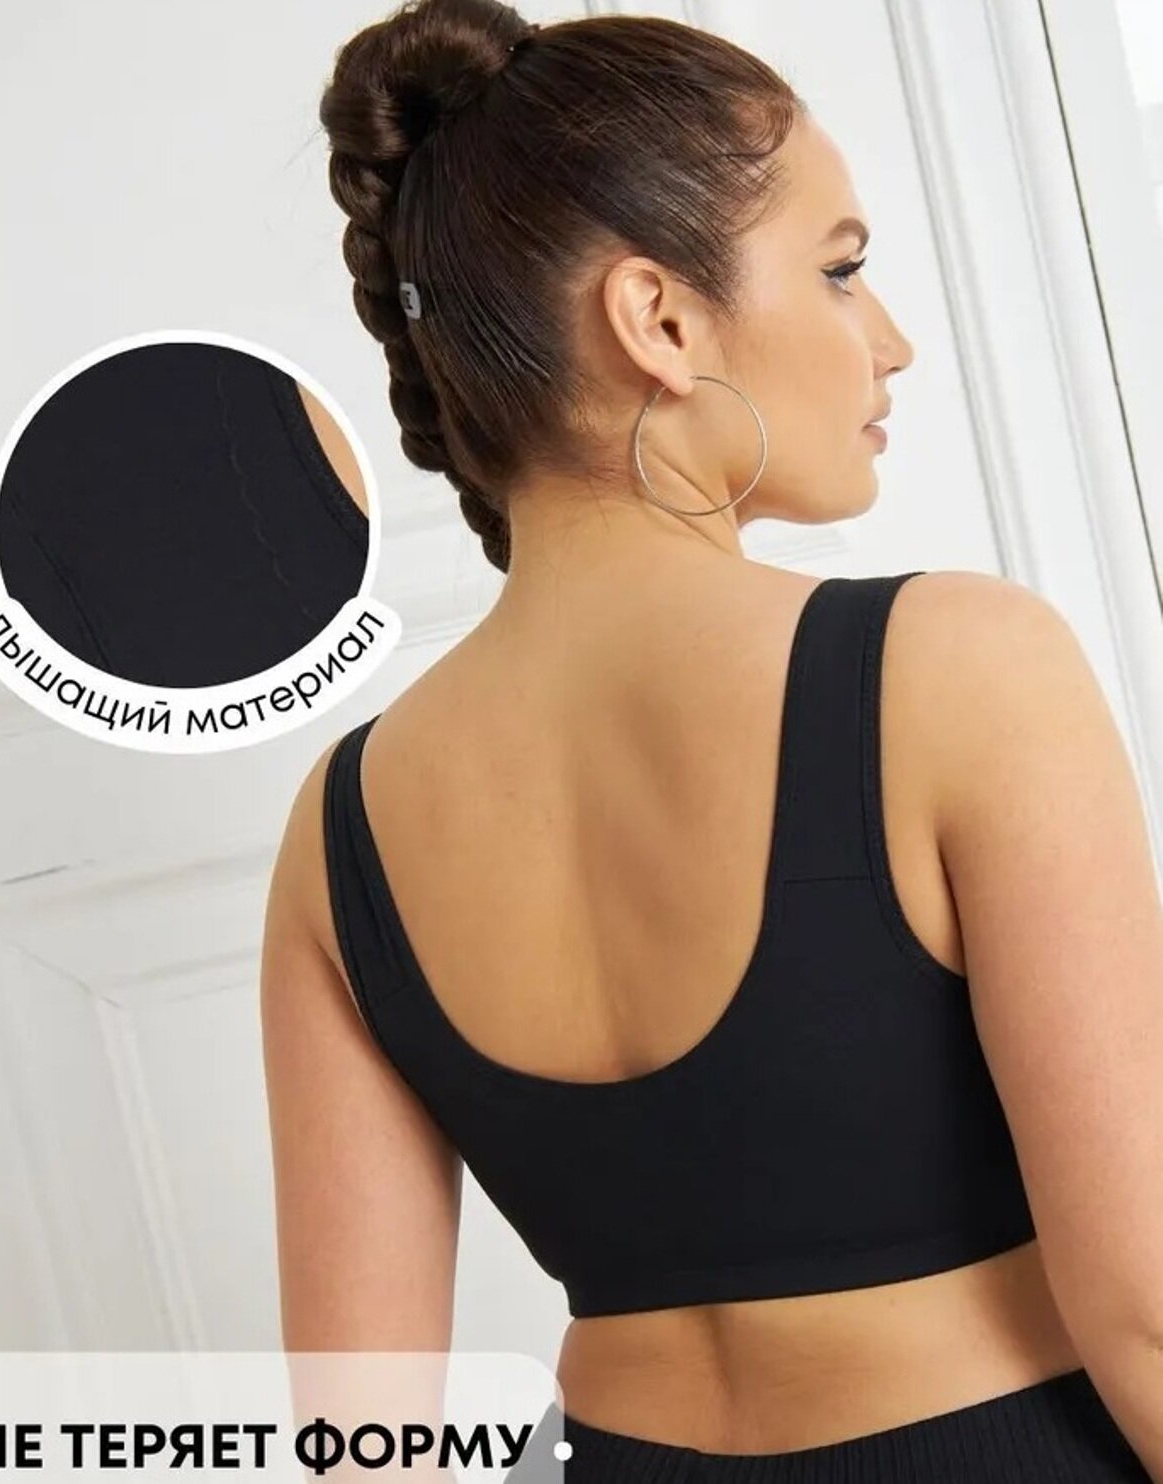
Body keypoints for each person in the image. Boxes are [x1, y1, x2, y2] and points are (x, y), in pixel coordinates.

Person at [260, 0, 1163, 1477]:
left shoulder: (341, 822)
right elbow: (1150, 1311)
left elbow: (358, 1436)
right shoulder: (956, 668)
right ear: (660, 321)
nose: (892, 340)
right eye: (841, 270)